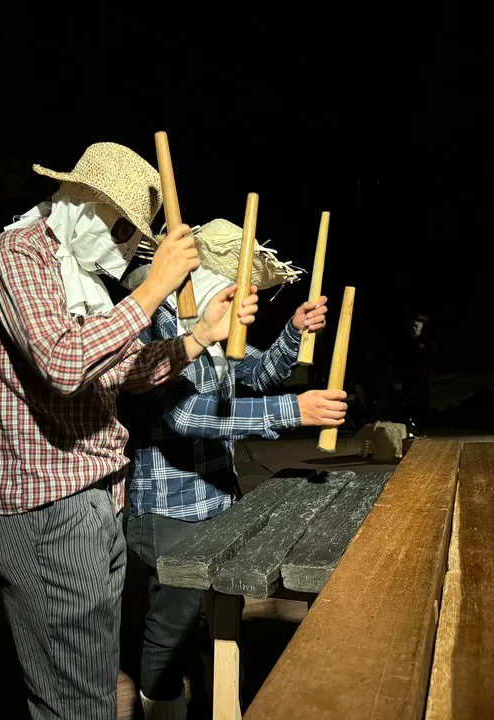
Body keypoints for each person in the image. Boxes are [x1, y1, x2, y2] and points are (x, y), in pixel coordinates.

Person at [0, 144, 259, 720]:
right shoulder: (15, 255)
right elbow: (64, 363)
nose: (126, 249)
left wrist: (200, 335)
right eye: (123, 230)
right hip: (48, 503)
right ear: (84, 201)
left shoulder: (78, 273)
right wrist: (155, 289)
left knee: (94, 687)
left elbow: (123, 373)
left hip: (99, 498)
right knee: (75, 700)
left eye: (135, 239)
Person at [119, 218, 348, 719]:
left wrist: (293, 332)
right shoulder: (153, 325)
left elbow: (258, 373)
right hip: (169, 509)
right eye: (234, 285)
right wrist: (294, 411)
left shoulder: (215, 332)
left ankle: (220, 706)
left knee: (222, 615)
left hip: (220, 499)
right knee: (173, 626)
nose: (243, 298)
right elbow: (185, 415)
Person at [397, 314, 437, 429]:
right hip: (408, 377)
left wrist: (429, 373)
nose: (413, 328)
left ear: (421, 327)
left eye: (416, 326)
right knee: (408, 401)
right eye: (412, 326)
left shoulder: (427, 342)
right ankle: (410, 424)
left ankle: (424, 426)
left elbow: (434, 359)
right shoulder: (405, 342)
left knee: (424, 401)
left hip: (422, 377)